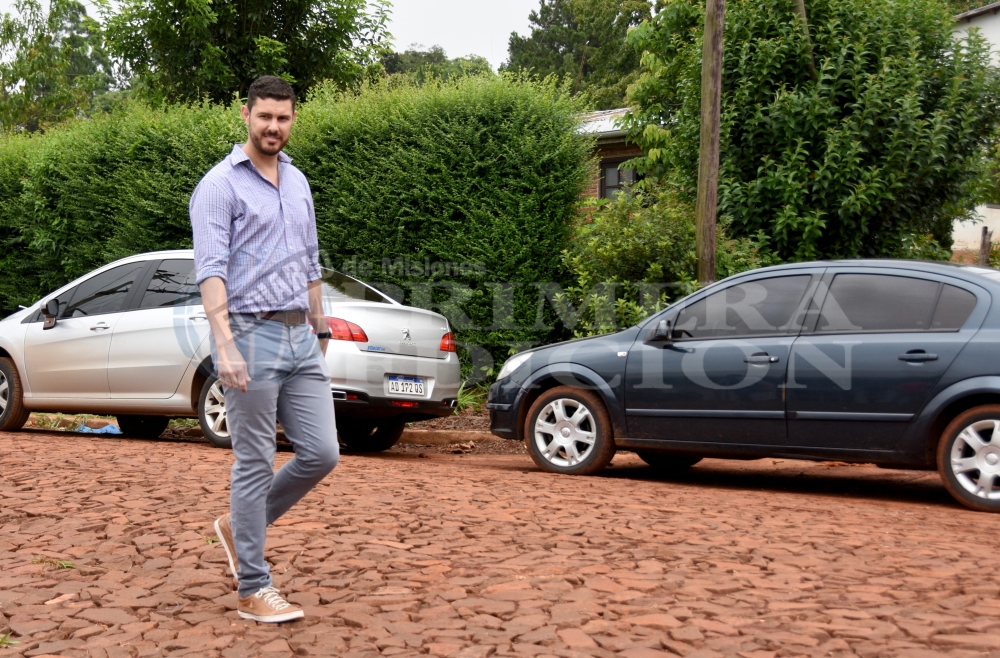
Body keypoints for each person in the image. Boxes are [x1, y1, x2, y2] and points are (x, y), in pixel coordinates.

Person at [189, 75, 339, 623]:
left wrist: (320, 329)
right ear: (246, 115)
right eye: (264, 117)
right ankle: (253, 586)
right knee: (253, 462)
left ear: (293, 118)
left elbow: (310, 261)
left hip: (301, 334)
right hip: (249, 334)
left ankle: (237, 525)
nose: (274, 126)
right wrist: (224, 346)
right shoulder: (219, 186)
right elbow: (210, 270)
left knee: (322, 453)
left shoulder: (298, 181)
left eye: (284, 117)